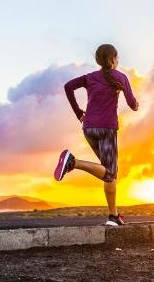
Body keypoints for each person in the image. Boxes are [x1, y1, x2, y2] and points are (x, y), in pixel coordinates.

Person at [55, 43, 139, 226]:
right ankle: (73, 162)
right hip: (106, 129)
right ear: (113, 59)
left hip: (88, 128)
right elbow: (132, 104)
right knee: (109, 172)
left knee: (110, 174)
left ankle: (113, 216)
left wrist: (78, 112)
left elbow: (68, 87)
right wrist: (135, 104)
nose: (118, 61)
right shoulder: (120, 77)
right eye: (117, 58)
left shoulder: (90, 77)